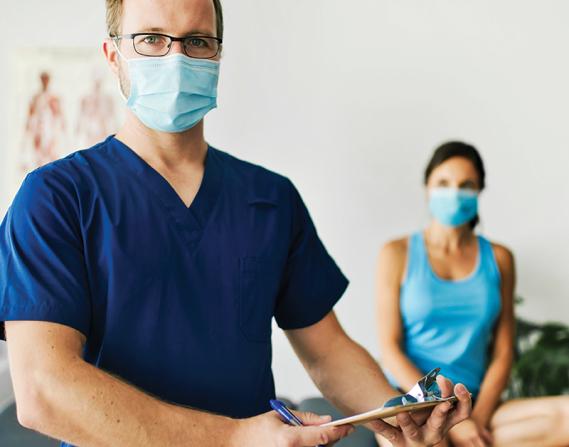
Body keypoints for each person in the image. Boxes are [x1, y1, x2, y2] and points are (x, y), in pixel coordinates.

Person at [0, 1, 472, 446]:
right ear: (113, 55)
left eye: (197, 41)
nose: (176, 57)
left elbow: (327, 350)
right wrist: (230, 438)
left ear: (217, 56)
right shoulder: (56, 199)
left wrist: (397, 415)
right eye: (151, 39)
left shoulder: (270, 199)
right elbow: (44, 389)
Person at [376, 141, 569, 447]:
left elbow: (503, 352)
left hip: (476, 404)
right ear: (427, 188)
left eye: (466, 185)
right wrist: (446, 416)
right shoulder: (396, 253)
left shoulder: (500, 258)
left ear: (479, 191)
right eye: (443, 183)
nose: (454, 193)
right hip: (410, 403)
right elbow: (389, 348)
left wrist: (473, 419)